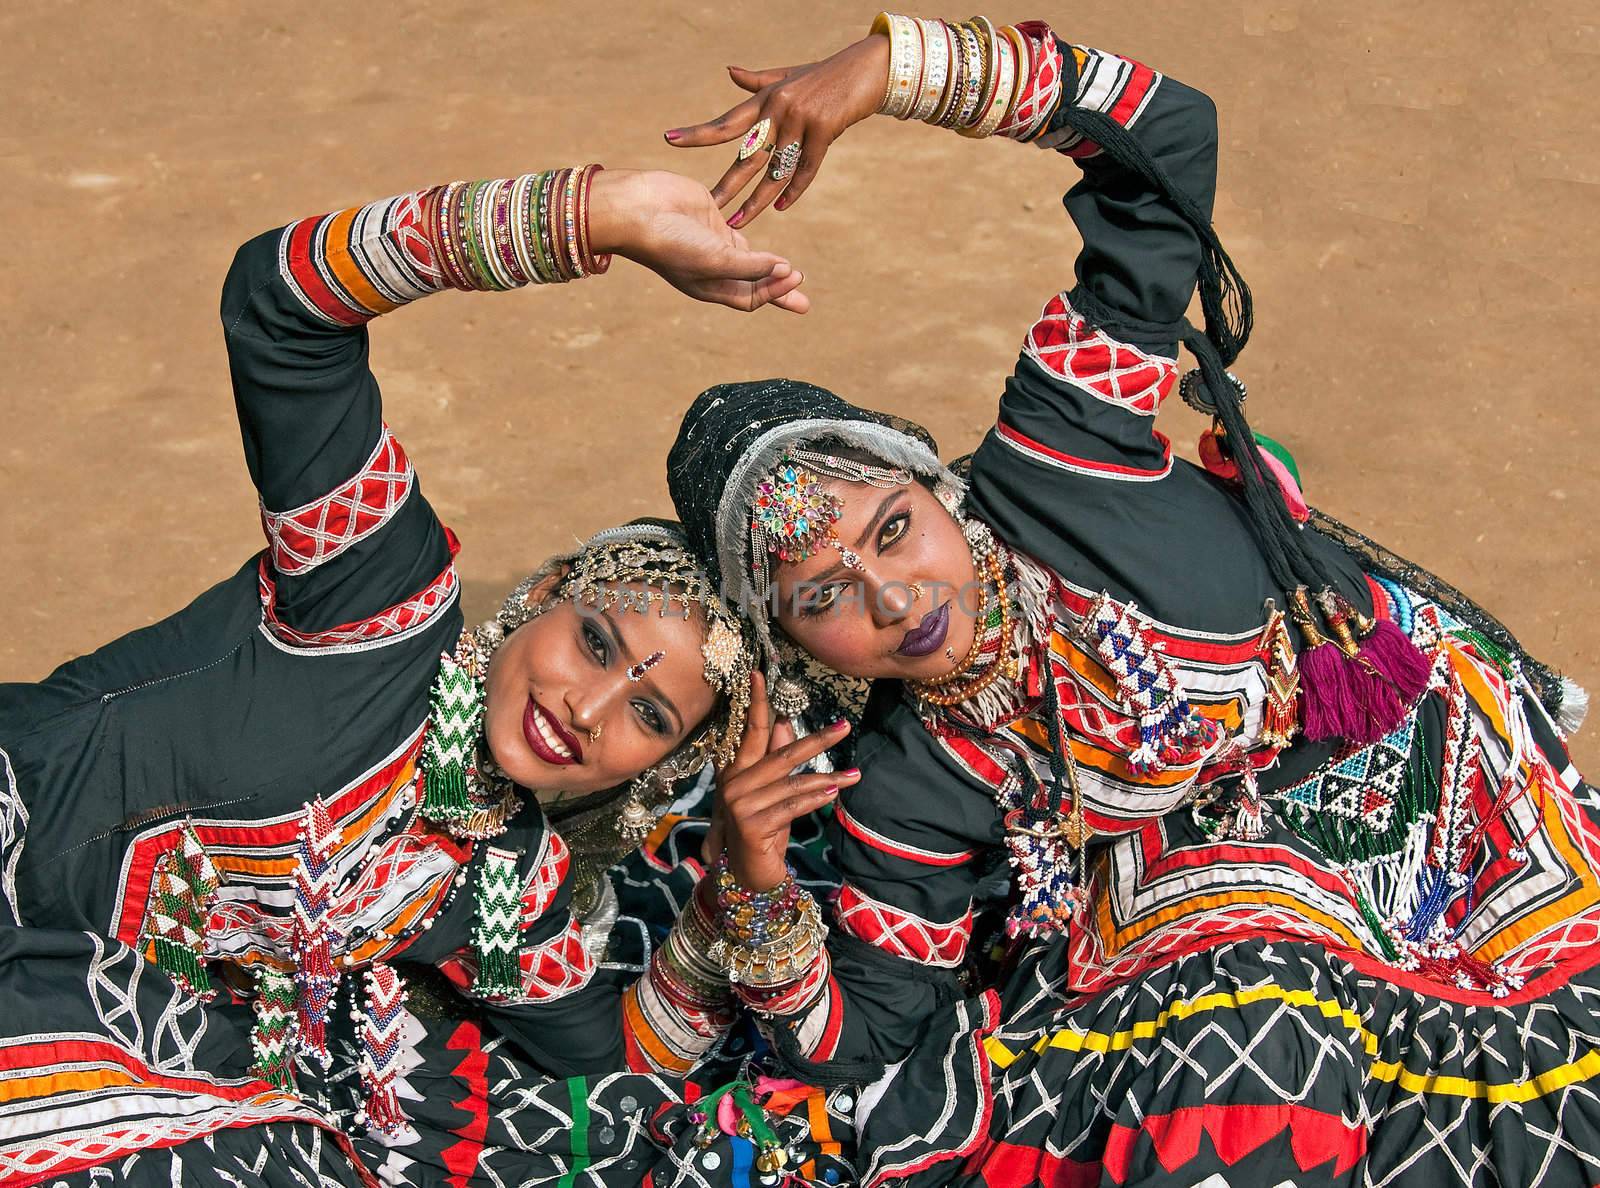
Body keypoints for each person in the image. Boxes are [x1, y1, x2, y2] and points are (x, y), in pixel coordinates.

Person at [664, 14, 1600, 1186]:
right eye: (823, 594)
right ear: (795, 645)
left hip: (1435, 793)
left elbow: (1165, 145)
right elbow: (867, 1038)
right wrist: (750, 884)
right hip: (1223, 903)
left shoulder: (1062, 452)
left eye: (893, 528)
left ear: (939, 489)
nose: (894, 592)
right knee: (1243, 1039)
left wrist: (897, 70)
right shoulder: (907, 777)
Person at [0, 163, 843, 1184]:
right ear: (538, 603)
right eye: (595, 643)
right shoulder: (379, 606)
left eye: (650, 714)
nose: (589, 704)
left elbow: (614, 1056)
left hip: (78, 1020)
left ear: (658, 774)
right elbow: (278, 308)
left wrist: (741, 880)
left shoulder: (510, 880)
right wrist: (589, 216)